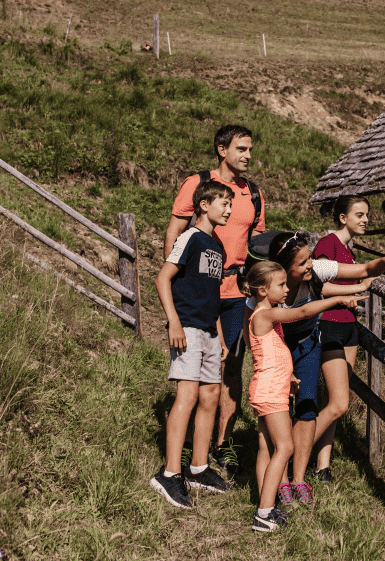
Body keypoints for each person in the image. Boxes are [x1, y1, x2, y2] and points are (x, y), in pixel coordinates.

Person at [267, 231, 385, 506]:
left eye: (310, 258)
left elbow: (362, 269)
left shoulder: (316, 269)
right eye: (302, 263)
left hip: (309, 344)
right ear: (285, 269)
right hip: (279, 347)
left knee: (308, 406)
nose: (310, 264)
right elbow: (273, 323)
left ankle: (299, 480)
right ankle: (281, 478)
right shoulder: (272, 284)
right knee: (280, 409)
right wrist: (282, 366)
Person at [165, 125, 265, 472]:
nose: (248, 156)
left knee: (232, 366)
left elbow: (257, 246)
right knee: (197, 373)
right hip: (200, 290)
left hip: (236, 293)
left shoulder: (253, 194)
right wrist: (177, 284)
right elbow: (176, 230)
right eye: (241, 149)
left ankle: (222, 444)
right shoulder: (197, 184)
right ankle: (187, 447)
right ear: (222, 150)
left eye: (250, 149)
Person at [243, 261, 358, 532]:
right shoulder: (263, 315)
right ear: (262, 290)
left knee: (267, 449)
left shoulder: (266, 314)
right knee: (285, 448)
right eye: (281, 285)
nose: (286, 290)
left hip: (270, 387)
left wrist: (289, 377)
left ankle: (265, 506)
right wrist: (336, 299)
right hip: (270, 391)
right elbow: (304, 311)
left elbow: (271, 353)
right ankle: (263, 513)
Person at [150, 179, 235, 509]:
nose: (229, 210)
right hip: (186, 328)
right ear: (204, 205)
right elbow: (163, 278)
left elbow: (210, 294)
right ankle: (169, 473)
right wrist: (174, 321)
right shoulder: (191, 238)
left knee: (211, 394)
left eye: (230, 204)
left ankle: (198, 468)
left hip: (210, 333)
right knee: (186, 394)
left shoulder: (218, 248)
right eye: (223, 204)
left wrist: (221, 336)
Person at [309, 196, 372, 482]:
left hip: (349, 328)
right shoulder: (328, 244)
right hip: (330, 325)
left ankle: (323, 466)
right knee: (339, 404)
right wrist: (353, 290)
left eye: (367, 215)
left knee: (330, 400)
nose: (365, 219)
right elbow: (320, 286)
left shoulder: (348, 249)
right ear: (343, 218)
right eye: (359, 214)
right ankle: (293, 454)